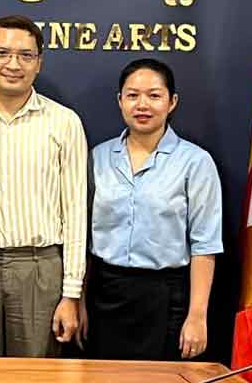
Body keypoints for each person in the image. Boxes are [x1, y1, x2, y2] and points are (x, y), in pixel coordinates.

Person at [0, 15, 87, 357]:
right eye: (2, 53)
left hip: (39, 269)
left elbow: (75, 211)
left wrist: (71, 293)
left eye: (25, 55)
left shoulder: (63, 122)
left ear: (39, 62)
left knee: (33, 375)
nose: (13, 64)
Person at [80, 58, 222, 361]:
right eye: (132, 95)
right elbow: (86, 240)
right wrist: (78, 301)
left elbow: (205, 245)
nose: (142, 104)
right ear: (120, 101)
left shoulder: (195, 162)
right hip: (105, 294)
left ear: (172, 102)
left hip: (165, 297)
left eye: (154, 95)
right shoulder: (98, 157)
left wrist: (197, 316)